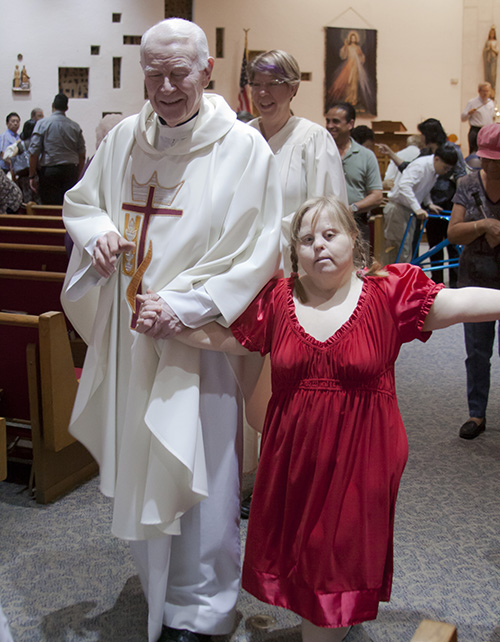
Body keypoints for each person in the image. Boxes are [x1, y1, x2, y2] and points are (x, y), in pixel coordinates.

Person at [138, 194, 500, 642]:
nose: (319, 246)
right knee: (305, 556)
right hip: (295, 456)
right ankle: (328, 625)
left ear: (354, 239)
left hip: (362, 457)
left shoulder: (389, 293)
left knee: (338, 555)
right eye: (307, 239)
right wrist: (169, 323)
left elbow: (462, 302)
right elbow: (226, 338)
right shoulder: (277, 300)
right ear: (296, 253)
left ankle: (325, 630)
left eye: (330, 235)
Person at [60, 17, 282, 642]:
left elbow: (259, 246)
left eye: (178, 72)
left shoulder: (242, 149)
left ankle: (205, 608)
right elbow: (84, 202)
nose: (164, 85)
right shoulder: (126, 137)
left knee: (201, 473)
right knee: (143, 460)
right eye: (153, 73)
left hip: (196, 342)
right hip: (135, 340)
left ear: (207, 71)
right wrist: (100, 234)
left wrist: (188, 306)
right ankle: (155, 586)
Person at [247, 49, 347, 267]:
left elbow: (328, 212)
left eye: (272, 83)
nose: (262, 93)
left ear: (293, 88)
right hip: (242, 261)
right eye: (256, 84)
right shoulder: (243, 137)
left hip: (294, 263)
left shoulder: (313, 139)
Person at [448, 123, 500, 440]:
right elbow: (454, 232)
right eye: (488, 158)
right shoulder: (467, 184)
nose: (492, 165)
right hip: (476, 277)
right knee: (478, 351)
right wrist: (483, 224)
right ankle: (476, 413)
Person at [383, 143, 458, 264]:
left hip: (408, 210)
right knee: (401, 251)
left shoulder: (434, 169)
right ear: (437, 159)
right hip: (398, 209)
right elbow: (404, 186)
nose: (446, 171)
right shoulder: (420, 166)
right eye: (445, 168)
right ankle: (396, 281)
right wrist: (417, 208)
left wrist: (428, 204)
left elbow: (424, 189)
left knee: (408, 252)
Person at [325, 101, 383, 243]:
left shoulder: (366, 155)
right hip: (324, 224)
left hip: (356, 223)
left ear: (350, 124)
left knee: (358, 264)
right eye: (328, 121)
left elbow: (377, 196)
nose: (330, 126)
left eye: (336, 121)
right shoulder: (319, 152)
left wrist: (352, 208)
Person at [28, 93, 86, 204]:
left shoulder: (42, 124)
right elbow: (82, 155)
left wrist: (31, 175)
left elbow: (34, 152)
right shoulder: (75, 126)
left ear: (53, 105)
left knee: (50, 206)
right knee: (68, 207)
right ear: (67, 108)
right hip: (70, 170)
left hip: (49, 171)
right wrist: (78, 175)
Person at [327, 30, 375, 114]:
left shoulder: (358, 48)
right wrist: (345, 46)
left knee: (354, 84)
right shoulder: (348, 47)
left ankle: (354, 99)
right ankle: (347, 99)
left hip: (355, 67)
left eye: (354, 37)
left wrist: (360, 55)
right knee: (347, 83)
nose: (353, 39)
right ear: (349, 38)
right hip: (348, 66)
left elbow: (362, 58)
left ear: (356, 39)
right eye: (351, 37)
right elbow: (343, 55)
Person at [461, 82, 495, 155]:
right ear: (479, 91)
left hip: (488, 131)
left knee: (487, 152)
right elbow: (463, 118)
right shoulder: (472, 102)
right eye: (484, 91)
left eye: (487, 91)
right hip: (476, 130)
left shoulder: (491, 103)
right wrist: (469, 113)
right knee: (475, 152)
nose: (485, 93)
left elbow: (492, 117)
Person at [484, 27, 498, 94]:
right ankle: (489, 87)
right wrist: (488, 48)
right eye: (491, 33)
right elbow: (485, 50)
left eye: (493, 33)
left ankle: (493, 88)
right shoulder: (488, 42)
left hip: (493, 60)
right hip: (488, 60)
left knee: (493, 75)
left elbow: (497, 51)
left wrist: (492, 48)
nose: (492, 34)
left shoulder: (495, 42)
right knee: (488, 75)